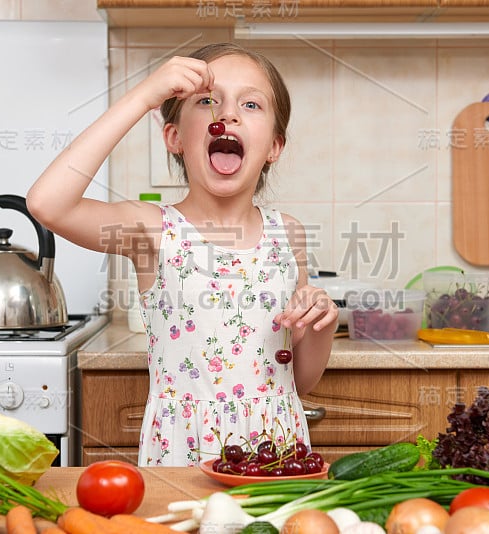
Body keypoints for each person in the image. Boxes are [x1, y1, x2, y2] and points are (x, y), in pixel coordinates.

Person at [27, 42, 338, 467]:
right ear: (173, 137)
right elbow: (48, 203)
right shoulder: (152, 231)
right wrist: (144, 96)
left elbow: (299, 380)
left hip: (275, 453)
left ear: (274, 147)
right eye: (207, 100)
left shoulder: (288, 234)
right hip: (183, 455)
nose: (226, 114)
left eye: (250, 104)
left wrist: (321, 323)